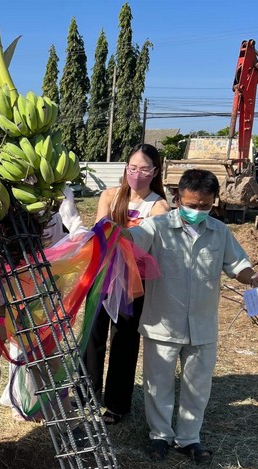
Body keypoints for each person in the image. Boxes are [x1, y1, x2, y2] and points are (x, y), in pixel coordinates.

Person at [126, 169, 258, 465]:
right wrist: (111, 234)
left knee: (198, 386)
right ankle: (160, 436)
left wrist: (257, 279)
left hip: (202, 325)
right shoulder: (156, 228)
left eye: (204, 206)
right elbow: (131, 242)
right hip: (162, 323)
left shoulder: (219, 232)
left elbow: (238, 265)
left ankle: (188, 438)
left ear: (213, 202)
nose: (197, 211)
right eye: (191, 205)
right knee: (158, 383)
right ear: (178, 198)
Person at [0, 188, 85, 468]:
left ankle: (67, 423)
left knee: (49, 360)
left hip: (36, 285)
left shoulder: (51, 193)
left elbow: (70, 231)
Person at [82, 144, 171, 425]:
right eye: (132, 168)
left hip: (134, 282)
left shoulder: (159, 206)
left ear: (155, 172)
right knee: (92, 334)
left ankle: (117, 403)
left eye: (144, 169)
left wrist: (122, 237)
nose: (137, 174)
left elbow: (154, 243)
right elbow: (100, 228)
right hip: (103, 274)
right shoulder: (110, 195)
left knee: (124, 339)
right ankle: (85, 392)